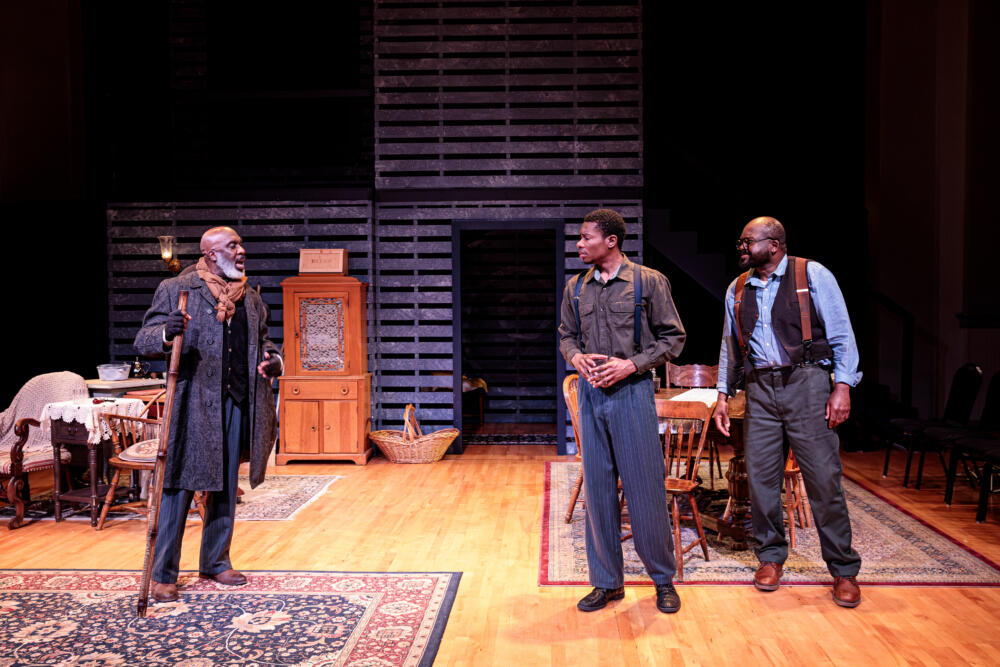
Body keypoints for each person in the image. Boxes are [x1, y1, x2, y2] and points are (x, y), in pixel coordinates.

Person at [713, 216, 863, 607]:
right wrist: (722, 395)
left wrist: (842, 386)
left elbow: (842, 333)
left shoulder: (811, 274)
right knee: (761, 478)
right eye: (740, 241)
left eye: (748, 241)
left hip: (807, 383)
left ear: (775, 244)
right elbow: (731, 345)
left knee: (823, 479)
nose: (741, 247)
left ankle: (843, 569)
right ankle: (770, 557)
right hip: (760, 387)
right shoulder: (739, 287)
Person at [135, 226, 283, 602]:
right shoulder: (178, 289)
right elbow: (144, 339)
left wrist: (272, 360)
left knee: (224, 485)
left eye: (240, 244)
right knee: (179, 487)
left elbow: (262, 342)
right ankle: (163, 572)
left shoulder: (249, 297)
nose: (241, 250)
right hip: (193, 405)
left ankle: (216, 561)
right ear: (211, 254)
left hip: (235, 402)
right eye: (233, 246)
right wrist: (166, 334)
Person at [558, 208, 686, 613]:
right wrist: (575, 356)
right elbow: (565, 335)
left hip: (632, 394)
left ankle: (662, 580)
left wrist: (630, 364)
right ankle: (607, 582)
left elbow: (673, 339)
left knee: (645, 488)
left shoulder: (647, 282)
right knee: (597, 491)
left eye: (585, 237)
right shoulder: (575, 288)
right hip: (593, 396)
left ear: (610, 241)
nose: (579, 244)